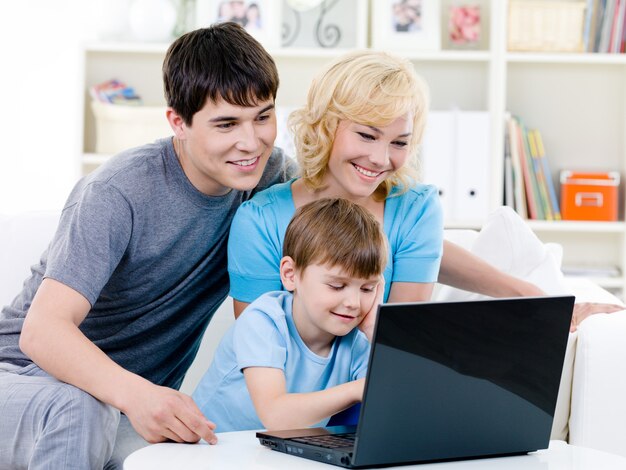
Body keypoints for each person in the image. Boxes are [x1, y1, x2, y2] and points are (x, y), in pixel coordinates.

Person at [0, 23, 295, 469]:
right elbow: (43, 332)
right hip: (22, 381)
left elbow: (367, 219)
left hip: (115, 407)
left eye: (263, 116)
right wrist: (139, 395)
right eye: (226, 124)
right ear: (178, 122)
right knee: (82, 409)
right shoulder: (116, 192)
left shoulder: (270, 177)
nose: (251, 142)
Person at [227, 49, 622, 330]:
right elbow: (261, 349)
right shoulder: (260, 220)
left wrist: (541, 301)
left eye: (399, 142)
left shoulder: (415, 210)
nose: (381, 159)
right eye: (367, 135)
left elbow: (396, 342)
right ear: (325, 126)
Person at [193, 197, 390, 431]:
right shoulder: (263, 321)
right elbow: (275, 416)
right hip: (210, 448)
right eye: (337, 286)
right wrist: (356, 390)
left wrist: (374, 331)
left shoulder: (358, 341)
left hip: (276, 452)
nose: (353, 303)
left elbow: (398, 404)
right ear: (290, 274)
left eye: (367, 289)